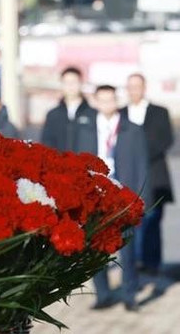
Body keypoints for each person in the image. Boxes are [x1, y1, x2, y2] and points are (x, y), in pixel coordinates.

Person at [80, 85, 149, 312]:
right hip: (95, 196)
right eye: (102, 100)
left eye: (111, 99)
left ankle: (130, 295)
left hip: (123, 196)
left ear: (116, 101)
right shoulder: (86, 128)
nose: (107, 104)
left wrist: (141, 196)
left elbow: (142, 165)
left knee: (127, 248)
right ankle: (104, 294)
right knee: (95, 246)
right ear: (96, 101)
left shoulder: (132, 129)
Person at [123, 73, 174, 275]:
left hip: (154, 174)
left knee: (153, 221)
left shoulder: (160, 112)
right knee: (130, 224)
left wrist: (141, 154)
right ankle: (133, 263)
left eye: (137, 86)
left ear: (144, 88)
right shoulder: (120, 114)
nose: (134, 90)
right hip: (128, 175)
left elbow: (166, 140)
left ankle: (152, 264)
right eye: (130, 87)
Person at [40, 67, 95, 153]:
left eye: (74, 82)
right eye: (66, 82)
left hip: (84, 164)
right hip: (58, 164)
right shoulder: (53, 115)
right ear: (61, 84)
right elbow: (46, 143)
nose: (70, 86)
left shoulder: (93, 114)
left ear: (81, 83)